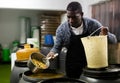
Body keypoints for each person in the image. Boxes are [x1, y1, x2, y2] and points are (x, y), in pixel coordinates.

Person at [46, 1, 117, 79]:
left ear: (82, 14)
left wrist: (106, 35)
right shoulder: (62, 29)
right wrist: (52, 52)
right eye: (68, 17)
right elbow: (57, 47)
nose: (71, 20)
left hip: (91, 66)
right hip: (72, 66)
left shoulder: (93, 25)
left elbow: (113, 40)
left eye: (74, 17)